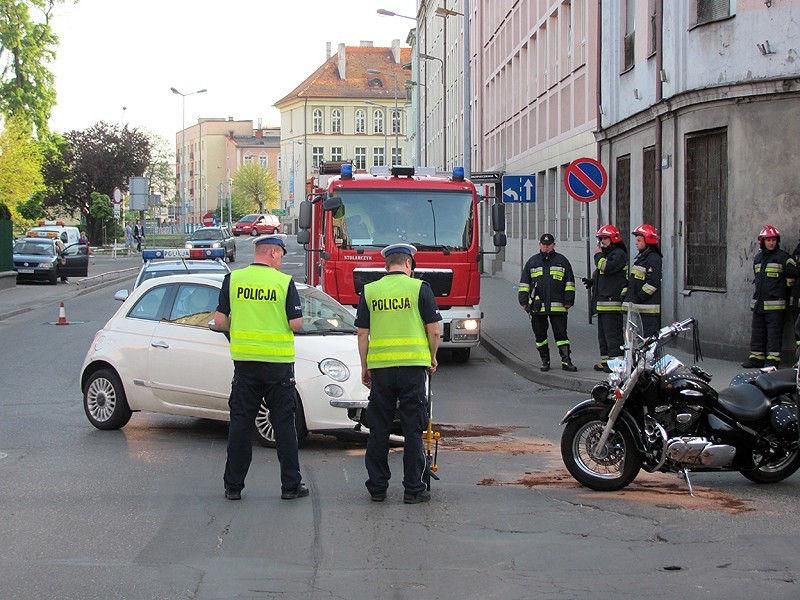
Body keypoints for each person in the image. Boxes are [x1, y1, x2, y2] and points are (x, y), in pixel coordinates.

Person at [212, 233, 308, 501]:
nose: (281, 262)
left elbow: (220, 321)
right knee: (284, 426)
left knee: (241, 425)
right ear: (274, 253)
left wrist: (241, 328)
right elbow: (296, 324)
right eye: (281, 257)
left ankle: (233, 486)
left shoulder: (234, 280)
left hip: (245, 365)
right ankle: (290, 486)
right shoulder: (283, 283)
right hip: (278, 366)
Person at [355, 243, 441, 504]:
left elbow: (362, 333)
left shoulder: (370, 291)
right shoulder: (419, 289)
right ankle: (413, 489)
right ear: (408, 264)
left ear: (386, 265)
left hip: (381, 370)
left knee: (379, 429)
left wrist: (364, 365)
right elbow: (434, 330)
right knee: (413, 429)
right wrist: (432, 356)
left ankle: (378, 488)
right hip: (413, 369)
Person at [519, 233, 577, 372]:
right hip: (537, 308)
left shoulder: (562, 261)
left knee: (561, 336)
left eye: (548, 244)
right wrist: (523, 301)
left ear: (553, 245)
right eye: (543, 244)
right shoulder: (532, 262)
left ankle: (566, 361)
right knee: (540, 336)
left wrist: (569, 300)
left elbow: (569, 282)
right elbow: (524, 283)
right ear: (540, 245)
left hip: (559, 307)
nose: (546, 247)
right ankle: (545, 361)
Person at [741, 225, 798, 368]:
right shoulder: (758, 258)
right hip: (759, 304)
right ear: (762, 241)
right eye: (768, 240)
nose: (771, 243)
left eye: (773, 240)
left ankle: (772, 361)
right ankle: (756, 358)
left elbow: (793, 278)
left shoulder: (784, 258)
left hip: (775, 305)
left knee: (774, 335)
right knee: (757, 333)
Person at [587, 225, 628, 372]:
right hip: (603, 303)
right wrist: (593, 282)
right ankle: (606, 362)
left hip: (612, 303)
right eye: (601, 239)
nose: (602, 242)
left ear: (613, 238)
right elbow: (605, 276)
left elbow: (607, 268)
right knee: (603, 336)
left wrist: (597, 256)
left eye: (605, 238)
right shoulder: (609, 254)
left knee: (613, 336)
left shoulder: (618, 254)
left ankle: (616, 364)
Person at [624, 224, 662, 338]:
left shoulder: (653, 258)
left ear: (648, 241)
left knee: (649, 344)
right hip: (639, 310)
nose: (636, 243)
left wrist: (638, 298)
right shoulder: (641, 258)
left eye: (639, 240)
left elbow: (653, 283)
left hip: (648, 312)